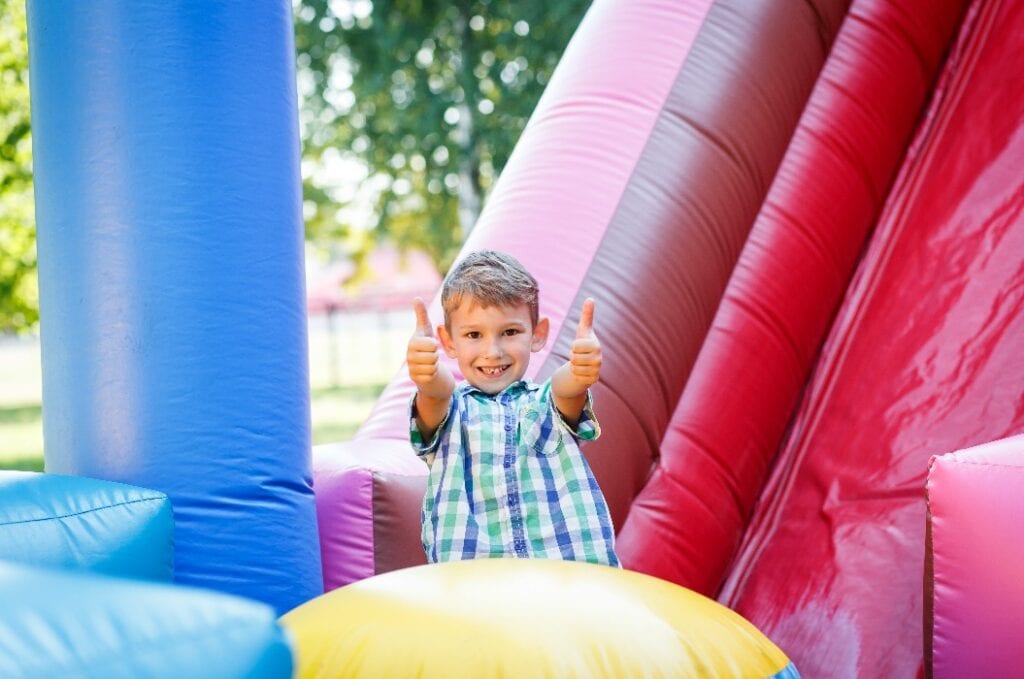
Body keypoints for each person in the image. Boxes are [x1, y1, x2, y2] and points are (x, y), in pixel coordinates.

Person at [406, 249, 619, 567]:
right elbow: (437, 394)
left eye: (510, 332)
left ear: (538, 334)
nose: (492, 351)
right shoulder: (451, 412)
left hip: (565, 573)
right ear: (449, 342)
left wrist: (578, 372)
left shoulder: (544, 405)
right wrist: (428, 375)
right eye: (474, 335)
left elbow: (565, 391)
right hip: (475, 579)